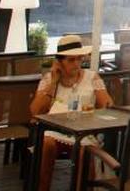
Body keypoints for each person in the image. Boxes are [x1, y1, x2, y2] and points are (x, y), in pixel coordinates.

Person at [30, 34, 113, 191]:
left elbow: (107, 103)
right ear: (59, 62)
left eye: (79, 59)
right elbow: (35, 111)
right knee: (46, 144)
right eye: (71, 60)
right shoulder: (49, 80)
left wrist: (98, 109)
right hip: (54, 131)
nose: (76, 64)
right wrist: (53, 82)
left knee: (85, 151)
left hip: (83, 131)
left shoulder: (92, 77)